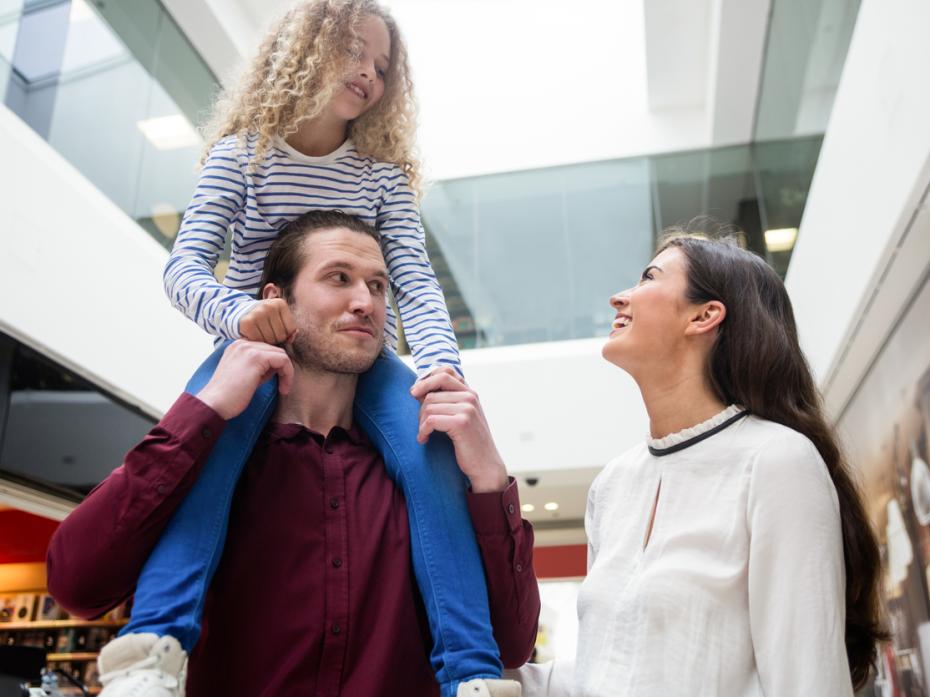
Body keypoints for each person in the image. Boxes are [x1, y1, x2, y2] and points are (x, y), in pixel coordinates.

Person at [112, 0, 507, 694]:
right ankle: (153, 648)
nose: (368, 74)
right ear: (304, 51)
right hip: (254, 347)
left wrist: (443, 363)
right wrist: (240, 316)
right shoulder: (242, 155)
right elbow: (183, 267)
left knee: (432, 454)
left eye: (383, 67)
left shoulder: (381, 177)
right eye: (353, 52)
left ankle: (471, 672)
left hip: (363, 359)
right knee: (207, 461)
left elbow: (413, 281)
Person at [47, 212, 539, 696]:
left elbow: (513, 645)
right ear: (275, 299)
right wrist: (204, 411)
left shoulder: (425, 470)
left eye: (377, 285)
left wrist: (491, 481)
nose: (364, 302)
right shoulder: (206, 454)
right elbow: (77, 585)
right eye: (338, 279)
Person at [512, 231, 887, 696]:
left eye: (649, 277)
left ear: (705, 315)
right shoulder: (613, 484)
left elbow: (807, 680)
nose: (618, 297)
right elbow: (610, 670)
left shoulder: (775, 461)